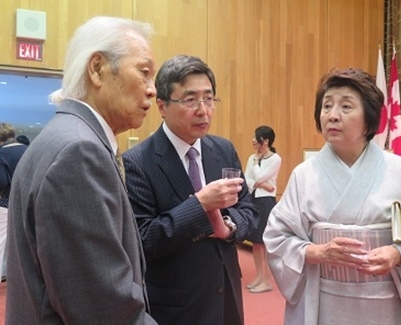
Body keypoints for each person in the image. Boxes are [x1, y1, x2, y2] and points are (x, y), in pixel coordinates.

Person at [6, 16, 158, 324]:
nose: (152, 90)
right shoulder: (78, 151)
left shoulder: (67, 136)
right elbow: (104, 309)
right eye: (144, 73)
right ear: (98, 69)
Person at [264, 68, 401, 325]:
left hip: (387, 303)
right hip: (324, 301)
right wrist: (317, 252)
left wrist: (398, 254)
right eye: (327, 106)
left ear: (369, 121)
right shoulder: (304, 175)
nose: (332, 116)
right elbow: (276, 238)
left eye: (346, 107)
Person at [123, 55, 258, 325]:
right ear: (162, 105)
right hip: (176, 307)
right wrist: (199, 205)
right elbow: (141, 241)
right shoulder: (137, 162)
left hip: (226, 296)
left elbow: (249, 209)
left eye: (209, 99)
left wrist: (229, 227)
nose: (203, 110)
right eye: (190, 100)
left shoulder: (222, 150)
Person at [244, 125, 281, 293]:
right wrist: (263, 184)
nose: (253, 140)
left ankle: (266, 280)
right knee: (256, 242)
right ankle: (259, 276)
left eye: (256, 137)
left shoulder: (275, 159)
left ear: (265, 141)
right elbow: (247, 179)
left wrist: (258, 166)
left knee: (264, 242)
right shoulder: (252, 157)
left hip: (266, 201)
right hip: (254, 198)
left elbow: (259, 176)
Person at [0, 123, 28, 280]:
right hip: (27, 203)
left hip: (6, 203)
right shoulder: (28, 149)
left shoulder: (2, 154)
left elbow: (2, 182)